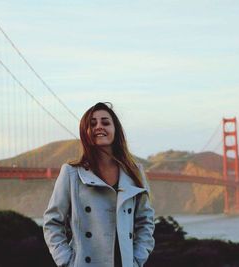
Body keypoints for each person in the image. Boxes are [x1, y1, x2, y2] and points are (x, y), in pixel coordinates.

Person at [43, 102, 155, 267]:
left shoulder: (134, 172)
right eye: (92, 124)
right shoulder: (71, 173)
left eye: (105, 122)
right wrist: (66, 261)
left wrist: (136, 260)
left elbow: (145, 221)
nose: (99, 127)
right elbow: (52, 222)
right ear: (85, 132)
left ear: (115, 130)